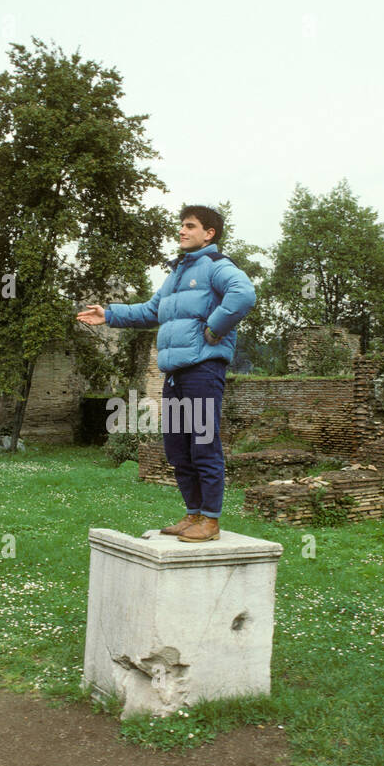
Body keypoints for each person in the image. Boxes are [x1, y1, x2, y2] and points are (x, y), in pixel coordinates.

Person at [77, 204, 256, 542]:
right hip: (174, 375)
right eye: (181, 226)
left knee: (203, 443)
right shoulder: (175, 275)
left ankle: (211, 521)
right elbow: (150, 311)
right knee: (177, 447)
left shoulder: (217, 266)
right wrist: (110, 314)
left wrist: (215, 328)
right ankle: (193, 513)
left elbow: (244, 294)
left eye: (190, 226)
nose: (182, 231)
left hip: (203, 370)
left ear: (209, 233)